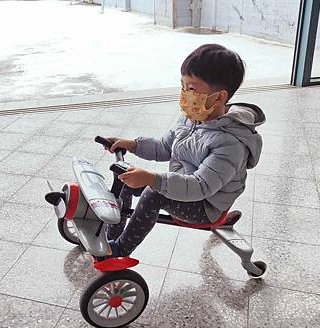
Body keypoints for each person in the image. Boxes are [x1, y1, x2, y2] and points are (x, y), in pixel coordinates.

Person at [103, 44, 265, 258]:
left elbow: (201, 186)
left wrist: (154, 180)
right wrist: (132, 144)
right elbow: (164, 146)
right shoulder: (192, 117)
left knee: (153, 194)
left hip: (205, 205)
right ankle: (111, 232)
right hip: (183, 186)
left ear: (219, 97)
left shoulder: (231, 143)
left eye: (191, 89)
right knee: (126, 174)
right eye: (182, 86)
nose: (184, 95)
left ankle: (120, 249)